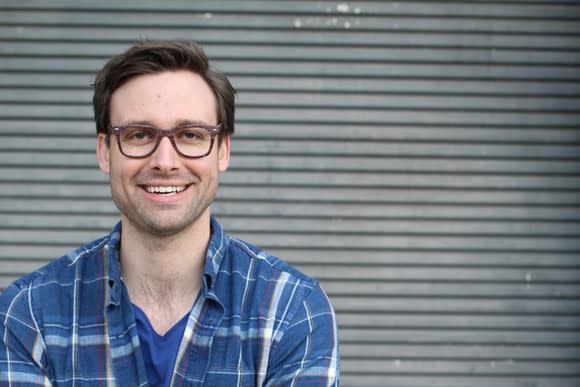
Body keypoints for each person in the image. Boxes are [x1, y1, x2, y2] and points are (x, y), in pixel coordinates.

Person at [0, 40, 339, 386]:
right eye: (139, 135)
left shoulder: (292, 311)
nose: (165, 162)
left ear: (222, 151)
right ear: (105, 152)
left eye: (190, 135)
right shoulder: (30, 314)